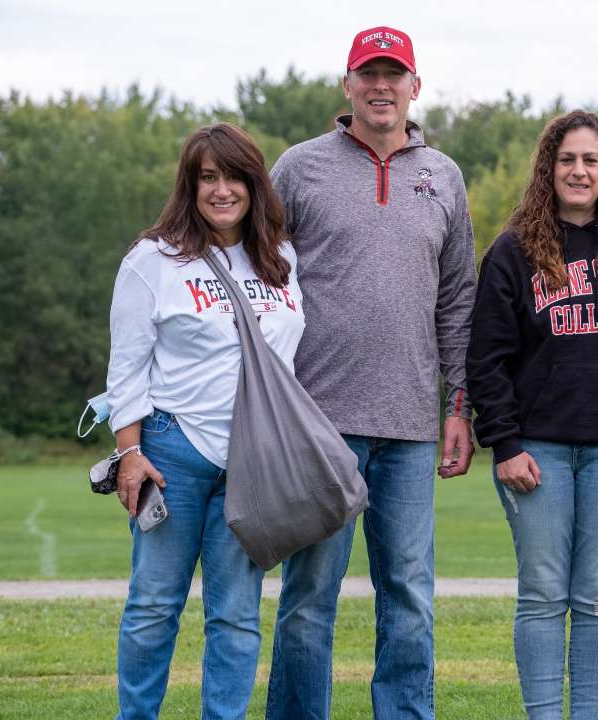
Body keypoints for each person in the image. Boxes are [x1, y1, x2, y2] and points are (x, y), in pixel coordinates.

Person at [264, 25, 476, 720]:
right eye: (368, 73)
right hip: (318, 424)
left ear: (416, 86)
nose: (381, 86)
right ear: (347, 84)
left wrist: (459, 407)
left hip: (413, 428)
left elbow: (457, 298)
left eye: (395, 74)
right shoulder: (298, 168)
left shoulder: (443, 175)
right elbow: (258, 279)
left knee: (410, 596)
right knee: (307, 600)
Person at [466, 110, 598, 720]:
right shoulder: (514, 251)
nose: (578, 170)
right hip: (538, 448)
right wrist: (503, 444)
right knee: (541, 595)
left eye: (590, 160)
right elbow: (486, 358)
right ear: (547, 169)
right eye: (567, 160)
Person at [106, 122, 304, 720]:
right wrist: (129, 453)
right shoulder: (153, 260)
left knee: (238, 617)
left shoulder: (281, 258)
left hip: (254, 463)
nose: (222, 190)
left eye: (234, 176)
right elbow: (127, 366)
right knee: (153, 607)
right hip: (172, 455)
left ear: (255, 183)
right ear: (189, 187)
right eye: (207, 178)